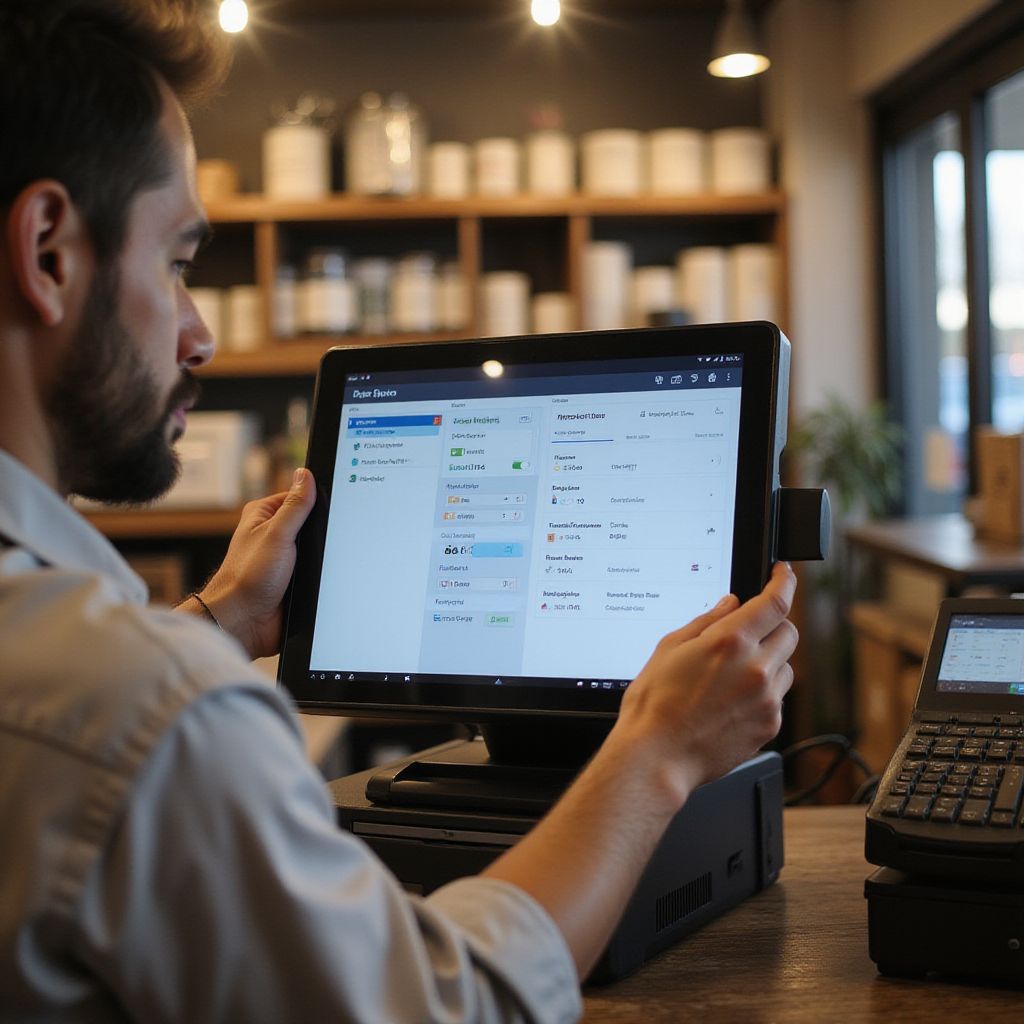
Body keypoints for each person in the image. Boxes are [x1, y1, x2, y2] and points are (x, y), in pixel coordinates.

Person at [0, 2, 798, 1021]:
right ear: (50, 252)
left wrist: (220, 624)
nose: (199, 334)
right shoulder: (145, 716)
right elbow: (447, 1005)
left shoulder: (97, 685)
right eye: (178, 261)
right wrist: (658, 752)